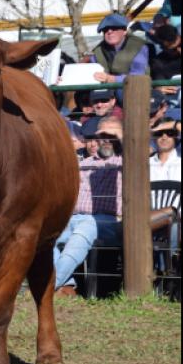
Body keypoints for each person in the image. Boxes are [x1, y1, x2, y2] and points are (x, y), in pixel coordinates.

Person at [54, 117, 124, 297]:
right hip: (74, 217)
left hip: (109, 221)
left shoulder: (127, 162)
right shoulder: (82, 164)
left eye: (112, 135)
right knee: (45, 234)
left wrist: (121, 140)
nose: (106, 139)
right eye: (102, 135)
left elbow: (139, 152)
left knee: (86, 227)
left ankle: (48, 285)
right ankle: (66, 285)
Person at [90, 13, 150, 84]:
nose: (109, 32)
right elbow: (92, 74)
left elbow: (138, 75)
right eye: (105, 30)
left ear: (124, 31)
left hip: (136, 88)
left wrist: (111, 79)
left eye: (114, 28)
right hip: (106, 90)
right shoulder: (98, 51)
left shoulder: (139, 47)